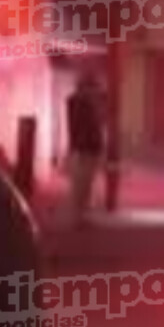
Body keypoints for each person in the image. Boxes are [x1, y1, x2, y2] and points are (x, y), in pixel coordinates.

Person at [65, 72, 105, 226]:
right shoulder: (79, 103)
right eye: (94, 87)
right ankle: (78, 217)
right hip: (85, 149)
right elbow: (79, 128)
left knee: (85, 184)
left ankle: (81, 216)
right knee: (81, 184)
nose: (95, 91)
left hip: (88, 148)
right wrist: (79, 148)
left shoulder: (83, 102)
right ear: (85, 87)